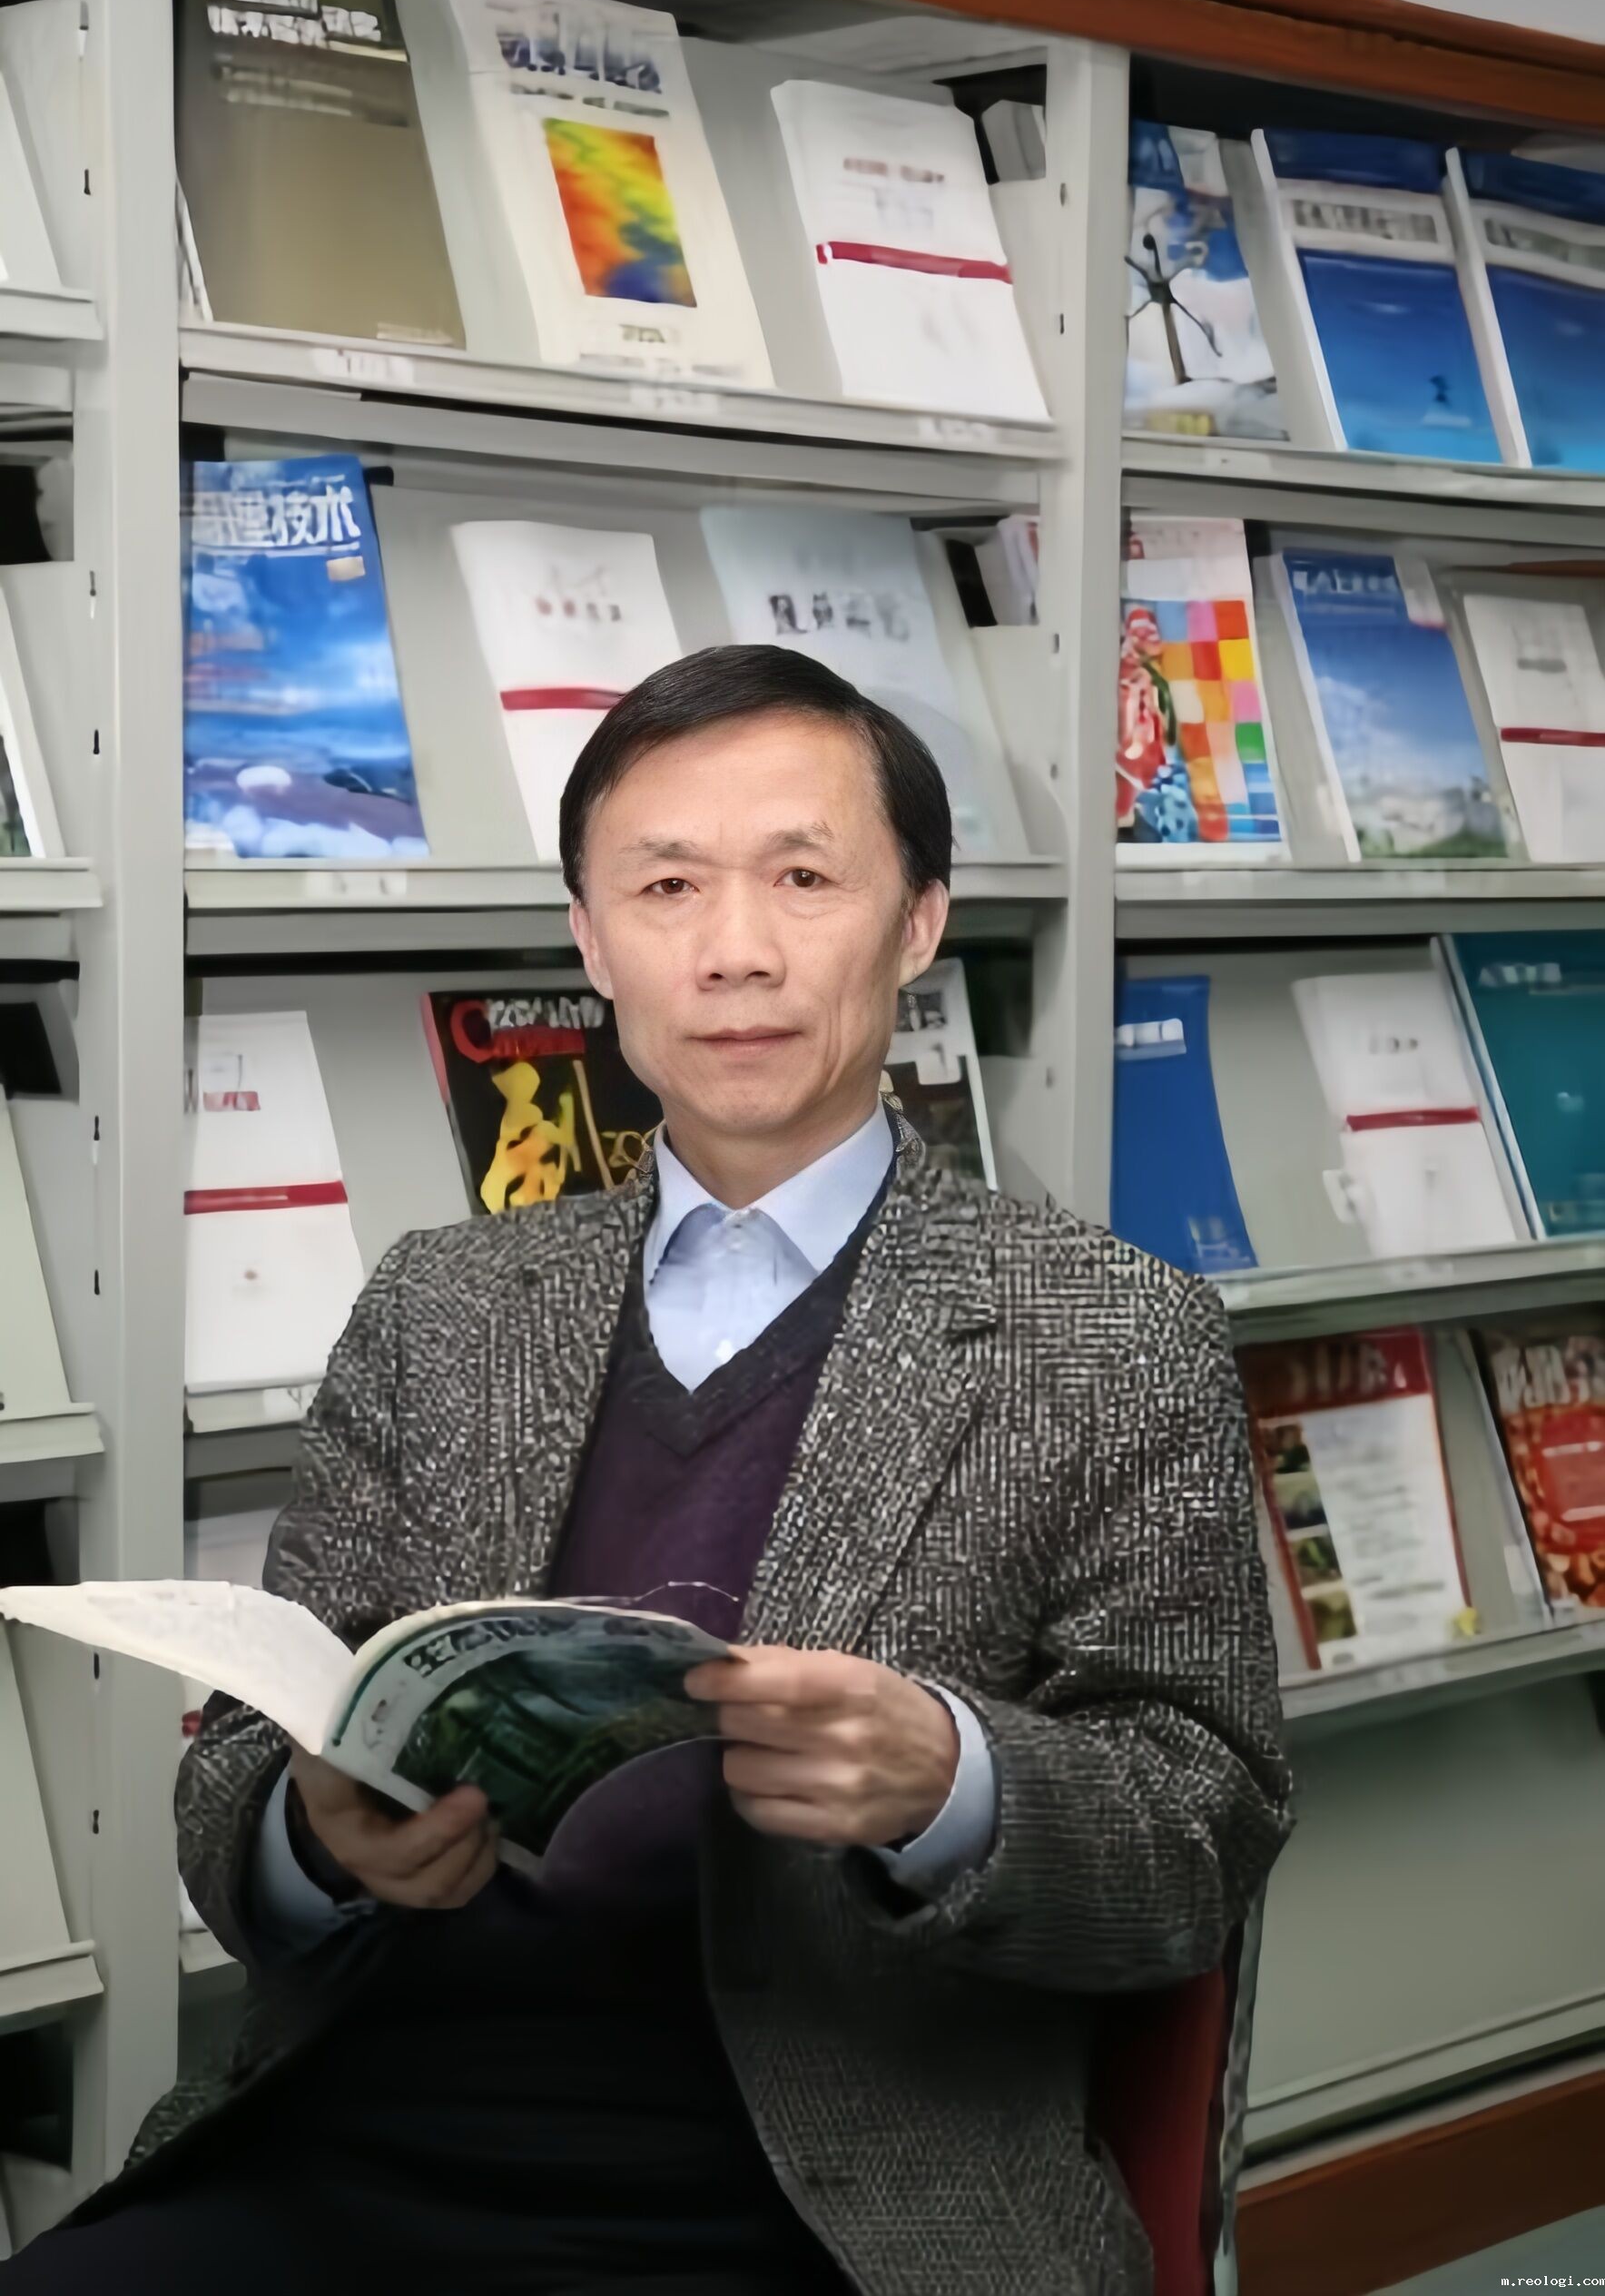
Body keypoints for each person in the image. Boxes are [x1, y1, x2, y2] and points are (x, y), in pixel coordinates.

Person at [8, 647, 1292, 2294]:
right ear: (593, 941)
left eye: (805, 878)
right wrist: (313, 1835)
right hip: (367, 2123)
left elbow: (1198, 1837)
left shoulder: (1112, 1335)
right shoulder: (443, 1305)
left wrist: (954, 1782)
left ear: (918, 924)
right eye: (668, 886)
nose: (735, 949)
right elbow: (237, 1774)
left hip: (834, 2196)